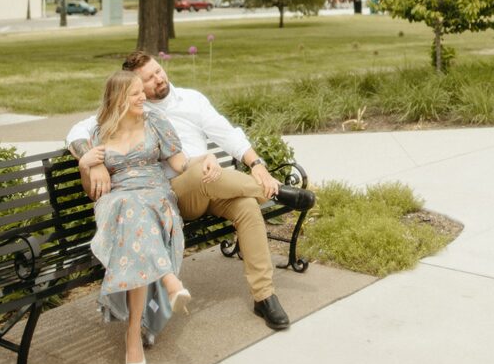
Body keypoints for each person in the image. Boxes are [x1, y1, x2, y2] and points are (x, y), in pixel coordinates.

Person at [67, 50, 315, 331]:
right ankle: (273, 191)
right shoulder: (137, 110)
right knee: (200, 174)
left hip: (214, 181)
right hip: (174, 194)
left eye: (158, 71)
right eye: (148, 79)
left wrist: (255, 162)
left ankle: (264, 296)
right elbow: (79, 129)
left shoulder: (191, 99)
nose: (158, 79)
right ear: (135, 89)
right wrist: (92, 161)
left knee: (246, 206)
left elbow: (227, 133)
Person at [75, 70, 195, 364]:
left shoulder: (155, 123)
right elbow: (92, 192)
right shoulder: (99, 134)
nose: (144, 96)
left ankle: (132, 335)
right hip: (115, 204)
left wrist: (202, 164)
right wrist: (86, 164)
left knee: (137, 219)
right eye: (135, 94)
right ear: (118, 99)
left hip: (156, 198)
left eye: (142, 91)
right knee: (129, 207)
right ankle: (170, 282)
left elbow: (180, 163)